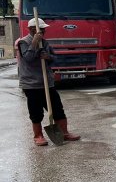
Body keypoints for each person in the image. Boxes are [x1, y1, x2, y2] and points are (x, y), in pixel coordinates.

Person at [16, 18, 81, 146]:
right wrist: (34, 43)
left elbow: (54, 58)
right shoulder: (23, 42)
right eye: (42, 29)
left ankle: (64, 132)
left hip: (47, 82)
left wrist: (48, 57)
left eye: (44, 29)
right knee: (36, 111)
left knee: (57, 107)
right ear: (32, 29)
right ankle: (38, 136)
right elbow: (28, 58)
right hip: (31, 84)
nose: (44, 31)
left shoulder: (45, 43)